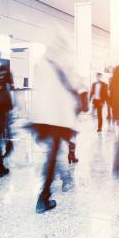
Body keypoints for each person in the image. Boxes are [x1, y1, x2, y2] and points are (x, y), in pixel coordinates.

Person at [27, 34, 87, 213]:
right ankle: (44, 196)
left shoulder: (41, 63)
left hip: (41, 117)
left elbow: (39, 86)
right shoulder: (65, 63)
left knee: (52, 152)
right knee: (53, 154)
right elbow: (78, 85)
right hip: (57, 117)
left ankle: (54, 186)